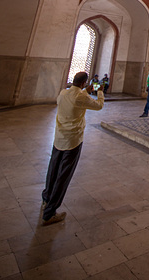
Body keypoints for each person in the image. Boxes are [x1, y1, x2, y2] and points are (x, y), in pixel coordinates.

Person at [41, 71, 104, 225]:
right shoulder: (81, 97)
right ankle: (50, 213)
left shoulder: (63, 93)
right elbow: (99, 106)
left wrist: (85, 91)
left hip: (59, 139)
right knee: (64, 175)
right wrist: (100, 91)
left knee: (53, 169)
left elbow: (75, 98)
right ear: (83, 83)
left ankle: (46, 199)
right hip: (73, 141)